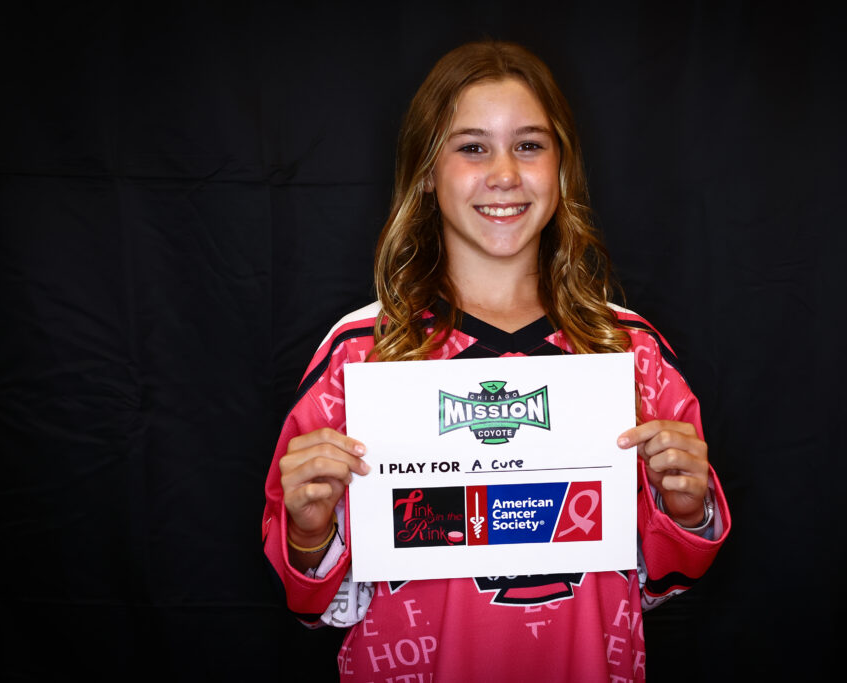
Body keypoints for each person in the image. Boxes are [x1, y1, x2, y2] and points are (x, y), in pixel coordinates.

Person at [262, 40, 730, 682]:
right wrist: (309, 533)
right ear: (427, 171)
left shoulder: (628, 349)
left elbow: (665, 581)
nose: (505, 173)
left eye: (529, 145)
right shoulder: (362, 351)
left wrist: (687, 511)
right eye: (473, 147)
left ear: (562, 167)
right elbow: (313, 604)